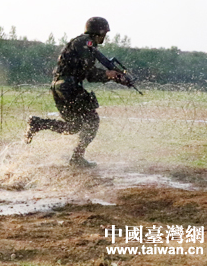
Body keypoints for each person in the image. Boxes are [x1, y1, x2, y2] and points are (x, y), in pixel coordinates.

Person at [23, 16, 129, 168]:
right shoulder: (87, 42)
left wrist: (112, 77)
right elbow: (89, 71)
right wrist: (108, 74)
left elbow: (90, 75)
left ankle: (38, 123)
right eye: (104, 32)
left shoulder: (84, 44)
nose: (105, 36)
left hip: (60, 86)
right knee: (92, 120)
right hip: (69, 86)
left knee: (74, 126)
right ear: (98, 32)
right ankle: (77, 158)